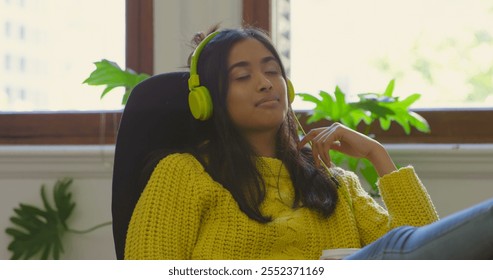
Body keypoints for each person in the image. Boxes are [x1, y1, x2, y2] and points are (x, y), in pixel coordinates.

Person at [123, 26, 493, 260]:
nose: (266, 83)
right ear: (207, 100)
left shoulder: (332, 181)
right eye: (242, 76)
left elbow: (431, 260)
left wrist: (377, 156)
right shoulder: (183, 175)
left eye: (272, 71)